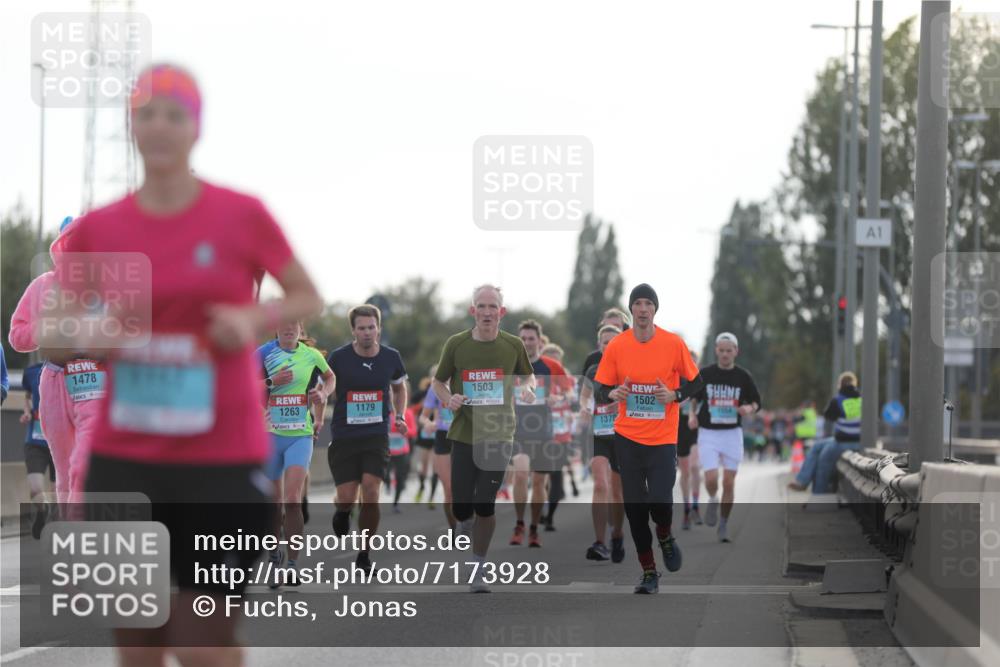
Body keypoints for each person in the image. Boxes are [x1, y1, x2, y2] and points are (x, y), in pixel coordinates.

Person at [46, 63, 323, 667]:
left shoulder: (240, 214)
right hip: (126, 460)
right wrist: (86, 330)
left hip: (219, 460)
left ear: (196, 127)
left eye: (176, 114)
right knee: (138, 640)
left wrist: (251, 321)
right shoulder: (100, 229)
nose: (161, 126)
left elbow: (306, 295)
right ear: (133, 127)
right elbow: (51, 335)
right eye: (147, 114)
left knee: (202, 641)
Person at [593, 284, 703, 594]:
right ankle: (649, 572)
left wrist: (674, 395)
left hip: (663, 438)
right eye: (637, 304)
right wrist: (612, 393)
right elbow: (601, 388)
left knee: (659, 501)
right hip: (627, 437)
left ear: (655, 309)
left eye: (647, 304)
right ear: (631, 310)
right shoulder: (617, 346)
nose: (642, 309)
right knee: (635, 511)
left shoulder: (672, 344)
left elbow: (697, 383)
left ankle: (665, 535)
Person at [431, 284, 535, 592]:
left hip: (500, 432)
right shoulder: (457, 344)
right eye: (481, 306)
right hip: (465, 432)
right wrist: (448, 399)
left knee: (485, 503)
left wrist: (527, 388)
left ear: (501, 312)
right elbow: (438, 381)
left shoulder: (513, 345)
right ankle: (463, 521)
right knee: (462, 503)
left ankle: (478, 566)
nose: (487, 312)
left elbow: (526, 374)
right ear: (472, 310)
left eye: (493, 307)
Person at [9, 216, 104, 506]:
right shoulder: (42, 287)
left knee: (83, 461)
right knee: (62, 471)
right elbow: (17, 334)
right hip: (53, 381)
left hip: (94, 376)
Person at [327, 304, 408, 573]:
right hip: (344, 435)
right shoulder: (338, 358)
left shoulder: (391, 357)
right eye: (361, 328)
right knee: (347, 496)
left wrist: (400, 415)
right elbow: (324, 385)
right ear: (353, 330)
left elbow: (399, 388)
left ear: (379, 328)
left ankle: (364, 553)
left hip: (376, 435)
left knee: (372, 492)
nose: (366, 332)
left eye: (371, 327)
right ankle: (342, 509)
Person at [258, 320, 333, 585]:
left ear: (301, 328)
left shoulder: (310, 354)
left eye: (294, 324)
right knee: (273, 503)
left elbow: (330, 377)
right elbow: (243, 387)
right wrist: (271, 381)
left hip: (300, 435)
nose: (289, 328)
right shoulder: (263, 353)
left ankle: (291, 564)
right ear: (276, 327)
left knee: (292, 499)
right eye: (284, 323)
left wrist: (323, 393)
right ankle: (275, 555)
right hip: (269, 436)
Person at [688, 332, 762, 543]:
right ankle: (712, 498)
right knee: (711, 478)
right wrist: (692, 416)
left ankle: (723, 523)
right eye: (721, 350)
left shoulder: (743, 376)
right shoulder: (706, 373)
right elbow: (694, 396)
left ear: (736, 352)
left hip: (732, 434)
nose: (725, 354)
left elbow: (757, 401)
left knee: (729, 483)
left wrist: (749, 407)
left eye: (729, 351)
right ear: (716, 351)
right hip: (709, 433)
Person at [509, 319, 570, 547]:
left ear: (539, 341)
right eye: (522, 339)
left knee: (539, 481)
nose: (527, 342)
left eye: (531, 338)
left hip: (544, 431)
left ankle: (534, 527)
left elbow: (569, 392)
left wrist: (558, 398)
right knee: (522, 473)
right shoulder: (511, 365)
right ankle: (519, 524)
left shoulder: (551, 367)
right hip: (518, 430)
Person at [578, 324, 626, 562]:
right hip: (600, 433)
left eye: (614, 341)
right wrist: (585, 409)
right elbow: (585, 396)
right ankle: (599, 542)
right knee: (600, 484)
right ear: (600, 345)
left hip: (624, 435)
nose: (609, 346)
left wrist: (624, 406)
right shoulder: (593, 370)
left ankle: (617, 534)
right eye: (605, 342)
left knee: (618, 492)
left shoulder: (631, 368)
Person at [788, 372, 862, 493]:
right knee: (817, 446)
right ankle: (802, 481)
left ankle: (815, 494)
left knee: (823, 461)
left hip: (841, 442)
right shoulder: (862, 400)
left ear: (840, 385)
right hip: (860, 442)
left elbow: (829, 417)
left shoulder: (838, 400)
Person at [20, 361, 55, 538]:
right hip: (35, 441)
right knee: (35, 489)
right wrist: (27, 411)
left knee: (58, 493)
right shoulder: (31, 371)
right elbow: (27, 396)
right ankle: (43, 511)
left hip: (59, 441)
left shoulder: (68, 367)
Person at [421, 374, 456, 529]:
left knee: (466, 488)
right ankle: (454, 529)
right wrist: (428, 423)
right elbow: (423, 417)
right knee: (449, 489)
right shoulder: (435, 387)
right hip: (443, 437)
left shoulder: (466, 381)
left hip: (465, 436)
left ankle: (467, 521)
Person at [677, 350, 702, 530]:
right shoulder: (677, 381)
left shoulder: (701, 382)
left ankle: (695, 505)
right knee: (684, 472)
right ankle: (686, 508)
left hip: (695, 429)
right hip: (678, 430)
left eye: (694, 362)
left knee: (694, 467)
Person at [411, 375, 439, 507]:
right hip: (424, 433)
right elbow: (411, 406)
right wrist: (422, 404)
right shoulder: (424, 393)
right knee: (423, 466)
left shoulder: (445, 391)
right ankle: (421, 487)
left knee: (435, 467)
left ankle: (431, 497)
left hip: (438, 433)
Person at [579, 307, 630, 377]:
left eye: (616, 326)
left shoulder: (633, 356)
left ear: (624, 329)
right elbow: (582, 386)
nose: (612, 330)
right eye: (608, 326)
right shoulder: (592, 359)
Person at [387, 394, 416, 512]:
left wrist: (404, 431)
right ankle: (387, 483)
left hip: (402, 450)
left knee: (400, 477)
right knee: (383, 473)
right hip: (387, 450)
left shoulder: (407, 413)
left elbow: (413, 431)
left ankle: (396, 502)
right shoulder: (386, 413)